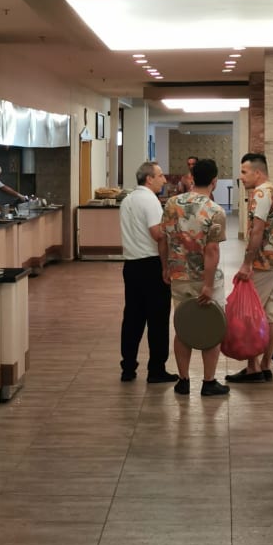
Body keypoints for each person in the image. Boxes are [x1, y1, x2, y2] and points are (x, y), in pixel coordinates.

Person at [161, 158, 229, 396]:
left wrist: (165, 267)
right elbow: (212, 251)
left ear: (192, 178)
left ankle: (183, 381)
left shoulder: (172, 204)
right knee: (211, 328)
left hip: (179, 275)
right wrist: (208, 285)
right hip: (204, 278)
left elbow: (163, 239)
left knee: (183, 326)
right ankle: (208, 382)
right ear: (214, 181)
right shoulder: (215, 210)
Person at [225, 152, 273, 383]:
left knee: (253, 314)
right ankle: (265, 366)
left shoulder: (261, 193)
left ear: (258, 172)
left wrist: (246, 263)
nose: (241, 177)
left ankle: (253, 368)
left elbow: (257, 230)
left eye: (244, 172)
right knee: (270, 314)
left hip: (262, 263)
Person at [119, 161, 177, 383]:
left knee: (132, 318)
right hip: (151, 265)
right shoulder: (150, 200)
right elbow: (157, 234)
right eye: (160, 175)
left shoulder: (128, 199)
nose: (164, 179)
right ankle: (156, 369)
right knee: (158, 320)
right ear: (149, 179)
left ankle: (128, 367)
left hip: (131, 265)